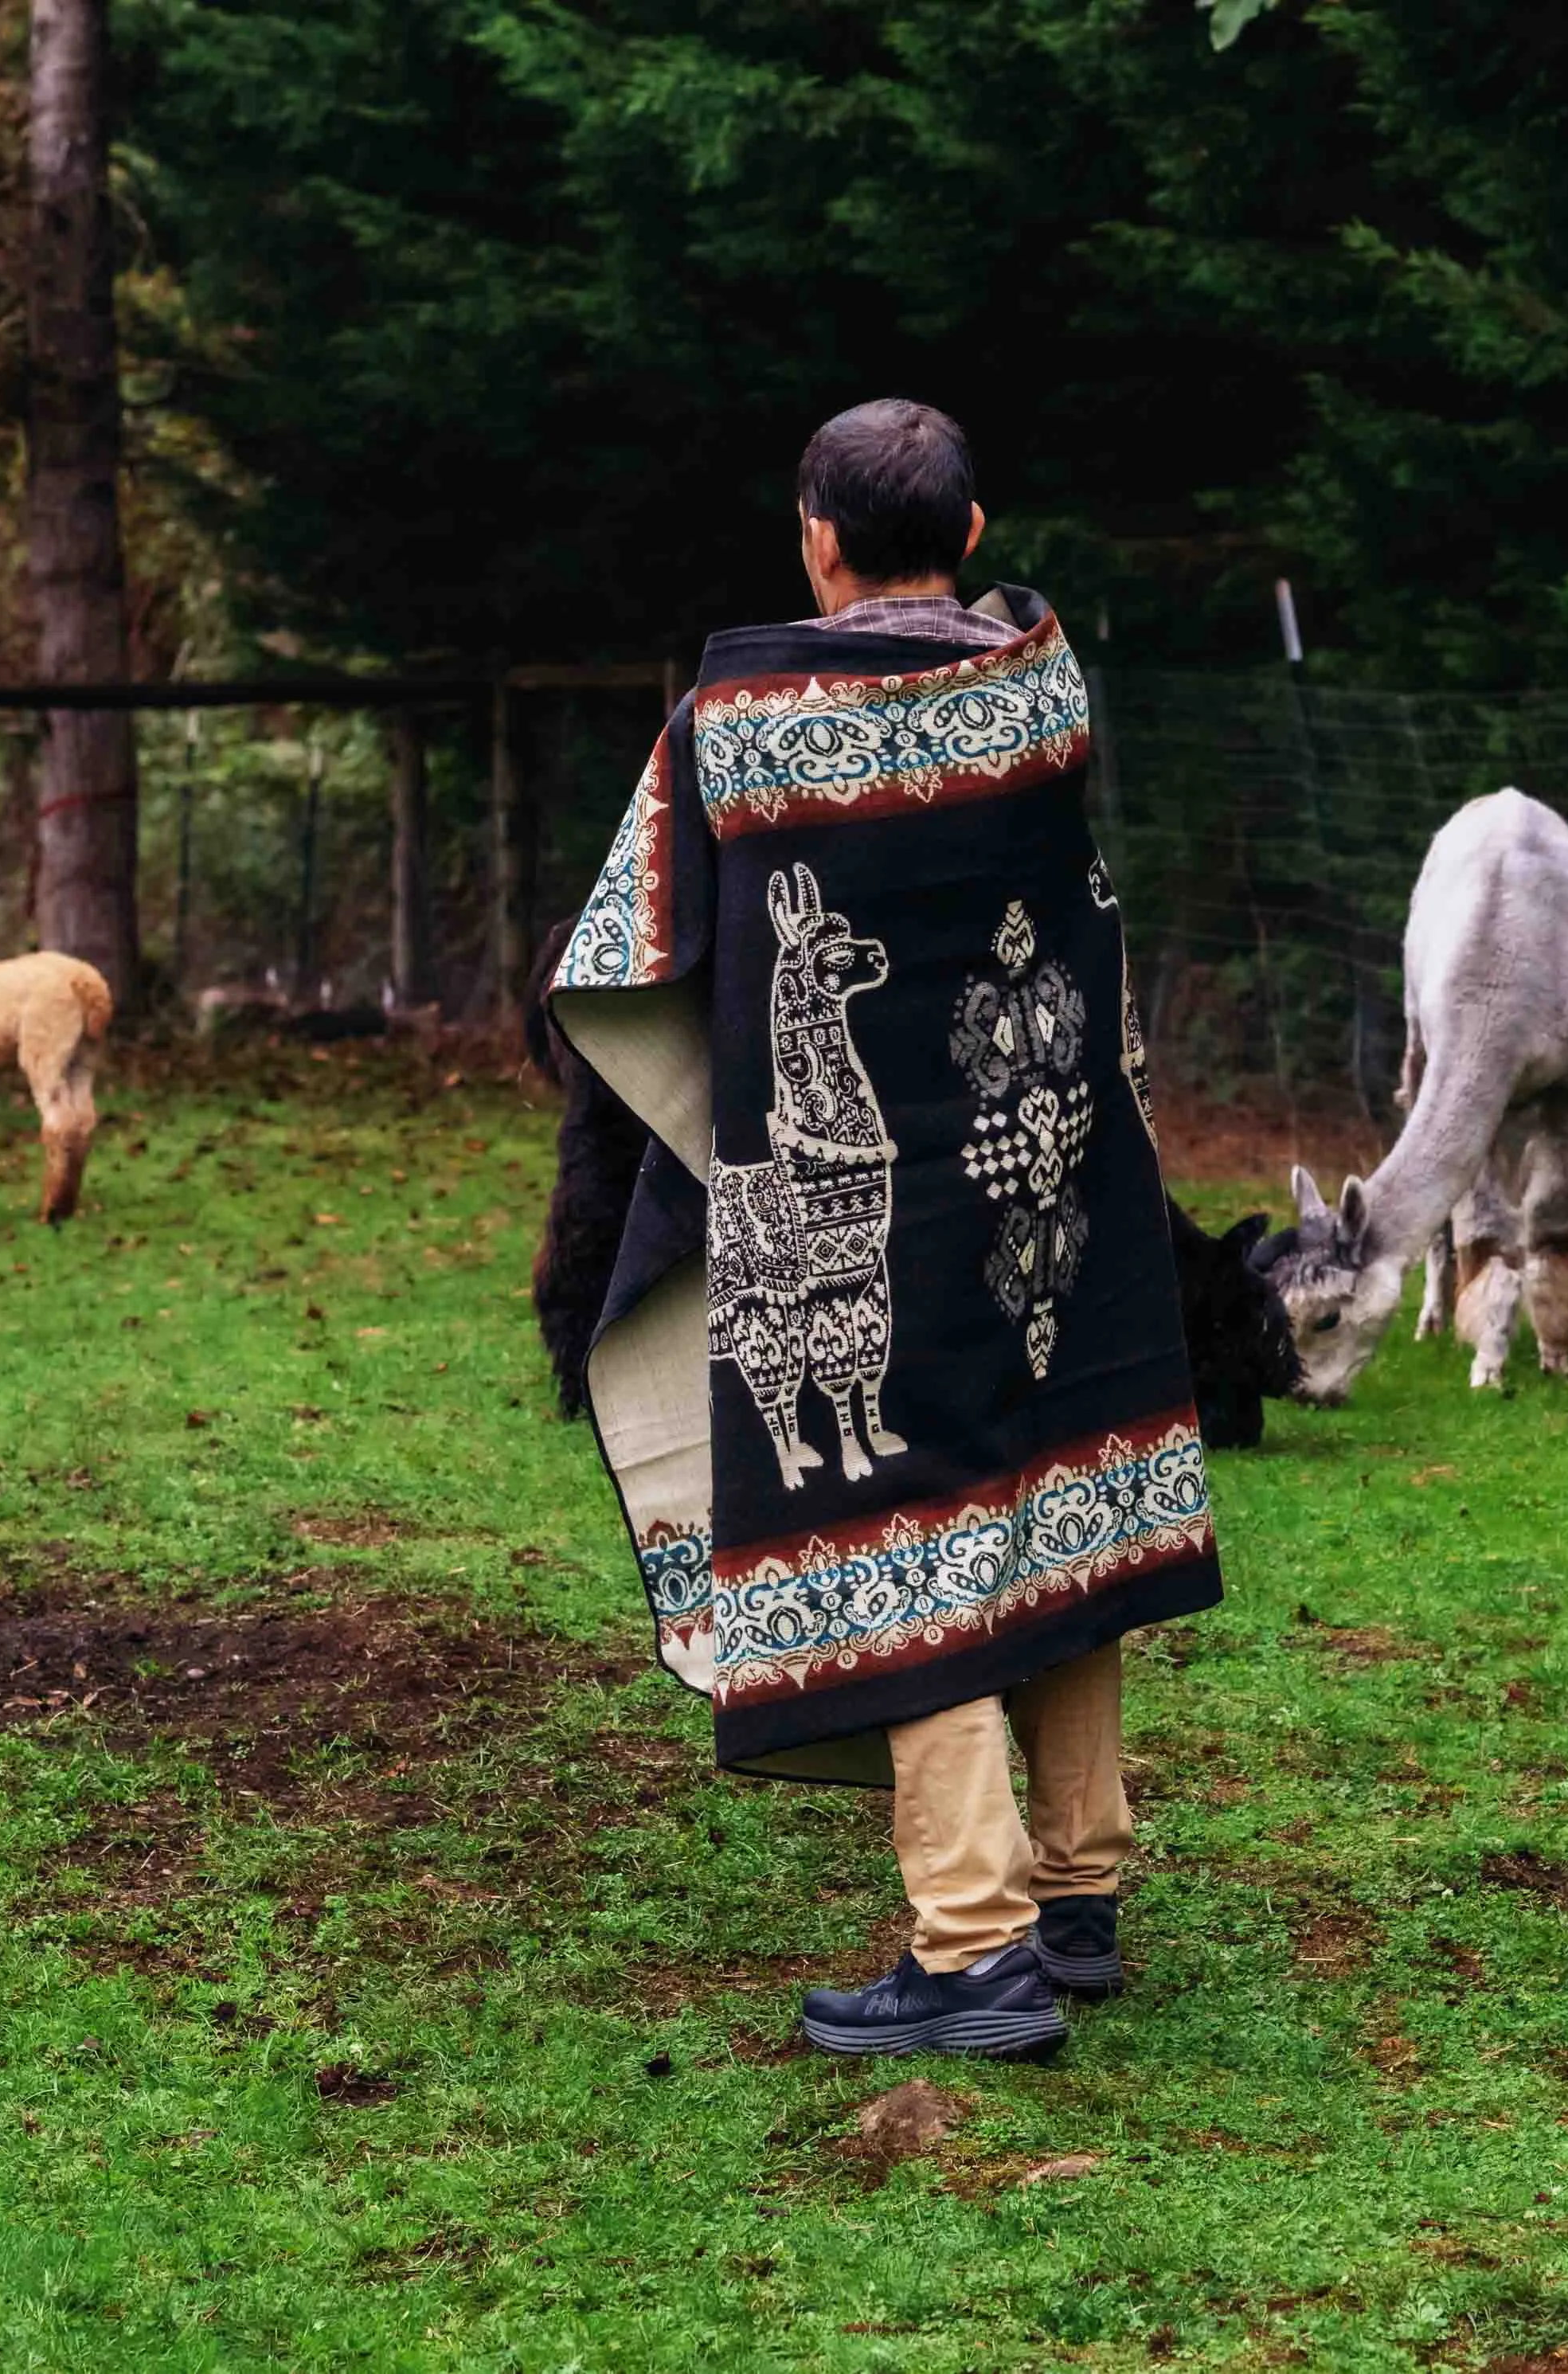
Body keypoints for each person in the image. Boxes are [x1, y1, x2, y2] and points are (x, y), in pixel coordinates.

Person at [545, 399, 1223, 2059]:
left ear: (813, 536)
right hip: (1048, 1167)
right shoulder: (1045, 689)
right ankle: (1075, 1892)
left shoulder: (737, 723)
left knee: (893, 1500)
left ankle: (973, 1947)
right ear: (974, 532)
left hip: (858, 1199)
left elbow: (626, 956)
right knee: (1054, 1478)